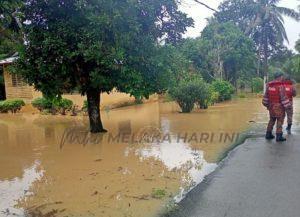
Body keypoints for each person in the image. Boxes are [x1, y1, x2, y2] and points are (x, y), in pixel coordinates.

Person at [262, 72, 291, 142]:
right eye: (282, 77)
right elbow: (283, 98)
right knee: (280, 121)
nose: (282, 78)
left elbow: (265, 97)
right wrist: (288, 106)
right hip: (279, 107)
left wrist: (267, 105)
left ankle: (268, 134)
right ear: (279, 77)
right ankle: (279, 136)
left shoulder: (269, 85)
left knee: (271, 120)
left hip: (271, 106)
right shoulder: (281, 86)